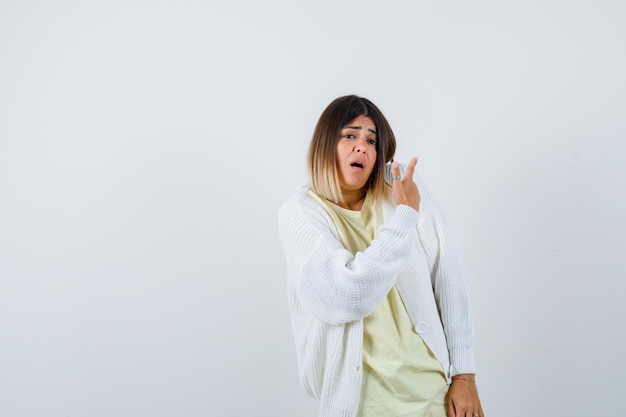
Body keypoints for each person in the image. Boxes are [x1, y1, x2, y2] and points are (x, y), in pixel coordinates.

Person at [278, 95, 484, 417]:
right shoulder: (300, 215)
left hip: (432, 395)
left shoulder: (403, 189)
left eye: (371, 140)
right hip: (360, 405)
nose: (362, 147)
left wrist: (465, 375)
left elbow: (449, 274)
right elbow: (346, 296)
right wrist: (404, 217)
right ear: (324, 143)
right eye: (350, 135)